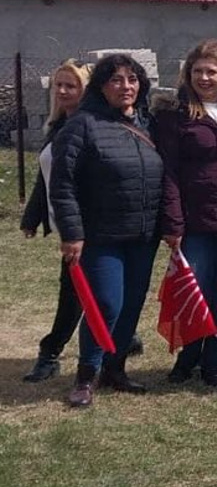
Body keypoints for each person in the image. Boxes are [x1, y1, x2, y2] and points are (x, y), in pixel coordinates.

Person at [50, 53, 165, 407]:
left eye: (132, 79)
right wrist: (71, 234)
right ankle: (87, 375)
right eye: (116, 80)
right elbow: (63, 184)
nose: (125, 86)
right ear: (102, 86)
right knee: (105, 304)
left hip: (143, 235)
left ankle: (116, 369)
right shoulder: (82, 125)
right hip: (101, 236)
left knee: (131, 305)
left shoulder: (147, 125)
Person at [20, 60, 136, 382]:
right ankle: (116, 332)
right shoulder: (58, 126)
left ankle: (51, 352)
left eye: (70, 86)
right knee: (89, 289)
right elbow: (48, 178)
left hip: (89, 227)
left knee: (74, 292)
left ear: (87, 90)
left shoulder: (92, 125)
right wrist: (33, 215)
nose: (61, 91)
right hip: (69, 226)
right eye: (58, 85)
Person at [156, 39, 217, 387]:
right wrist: (173, 222)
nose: (204, 78)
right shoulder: (175, 115)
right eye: (198, 71)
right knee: (193, 294)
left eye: (211, 71)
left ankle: (214, 362)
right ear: (188, 74)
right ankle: (187, 358)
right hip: (193, 223)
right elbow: (169, 172)